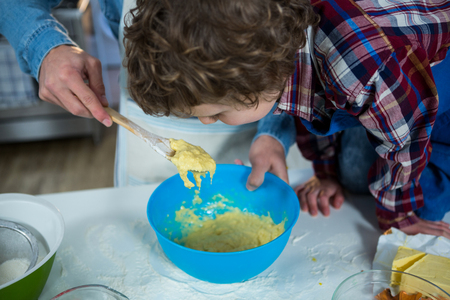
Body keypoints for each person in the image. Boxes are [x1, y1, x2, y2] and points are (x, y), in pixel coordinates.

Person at [120, 0, 450, 238]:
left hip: (426, 104)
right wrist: (325, 171)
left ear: (258, 80)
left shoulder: (360, 65)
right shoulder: (281, 52)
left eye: (217, 114)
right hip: (395, 93)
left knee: (422, 214)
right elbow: (312, 106)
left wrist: (397, 214)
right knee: (349, 169)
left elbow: (404, 142)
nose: (208, 123)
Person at [0, 0, 308, 186]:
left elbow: (284, 57)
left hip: (264, 146)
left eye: (216, 112)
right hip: (149, 145)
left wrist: (273, 133)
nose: (205, 119)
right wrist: (45, 45)